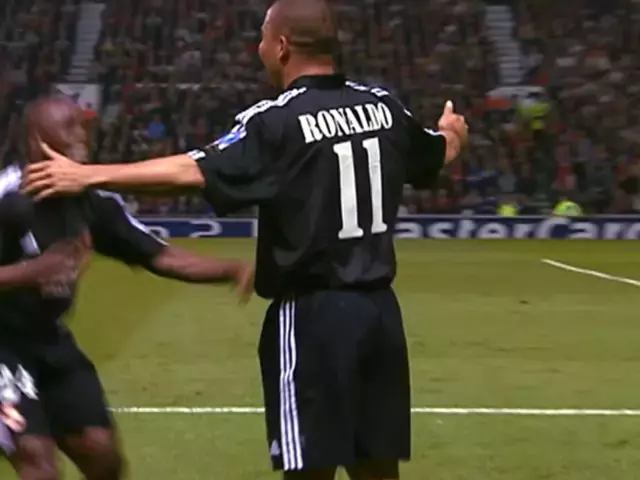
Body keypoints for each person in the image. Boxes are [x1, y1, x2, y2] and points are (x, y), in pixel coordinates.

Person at [24, 0, 469, 478]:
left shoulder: (276, 121)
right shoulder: (383, 107)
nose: (258, 47)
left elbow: (191, 170)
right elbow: (439, 153)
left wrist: (87, 175)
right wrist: (451, 132)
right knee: (379, 469)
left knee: (308, 466)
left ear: (282, 47)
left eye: (262, 37)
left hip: (312, 316)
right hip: (380, 315)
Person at [3, 94, 254, 480]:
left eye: (85, 126)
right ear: (38, 140)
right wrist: (33, 271)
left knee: (102, 454)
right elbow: (37, 269)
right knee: (39, 463)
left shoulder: (93, 201)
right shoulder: (7, 197)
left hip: (49, 341)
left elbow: (162, 257)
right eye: (70, 127)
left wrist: (234, 269)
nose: (83, 135)